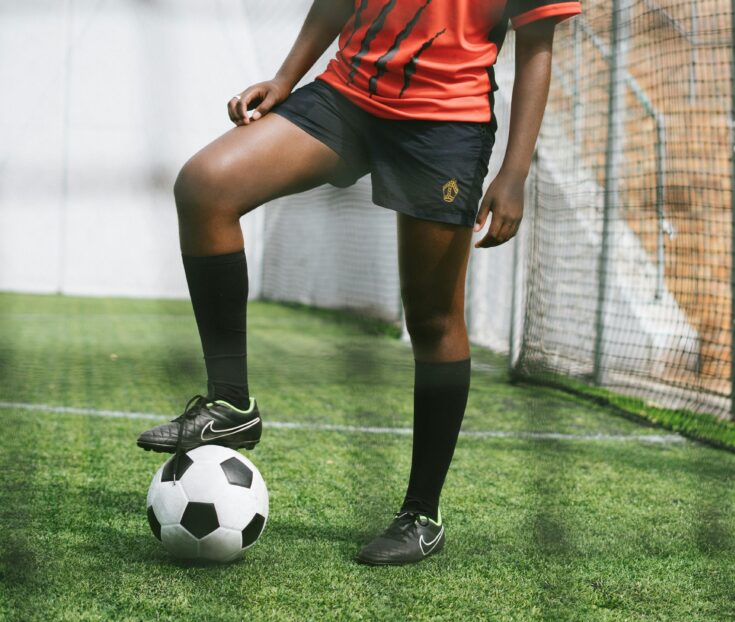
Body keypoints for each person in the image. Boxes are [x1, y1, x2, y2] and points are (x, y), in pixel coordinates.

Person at [136, 0, 581, 563]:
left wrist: (514, 174)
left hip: (444, 126)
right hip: (344, 99)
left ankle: (422, 514)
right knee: (205, 187)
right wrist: (284, 79)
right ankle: (231, 405)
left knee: (432, 317)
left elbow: (538, 49)